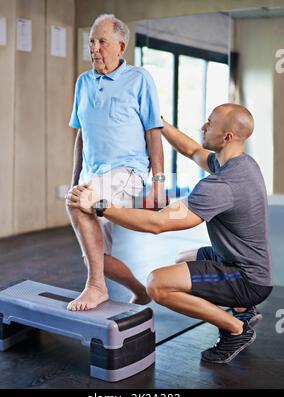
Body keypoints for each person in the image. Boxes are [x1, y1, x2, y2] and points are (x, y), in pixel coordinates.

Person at [67, 103, 273, 364]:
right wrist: (159, 121)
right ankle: (244, 309)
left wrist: (101, 207)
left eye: (210, 123)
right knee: (182, 260)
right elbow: (193, 150)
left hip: (248, 278)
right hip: (244, 262)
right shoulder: (242, 164)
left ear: (227, 137)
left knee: (157, 284)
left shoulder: (222, 185)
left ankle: (235, 329)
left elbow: (159, 223)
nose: (203, 126)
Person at [66, 14, 166, 311]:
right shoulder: (83, 82)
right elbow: (81, 136)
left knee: (80, 203)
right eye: (92, 42)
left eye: (102, 42)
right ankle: (139, 290)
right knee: (96, 256)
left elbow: (154, 132)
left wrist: (159, 184)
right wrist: (74, 180)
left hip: (129, 172)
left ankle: (96, 287)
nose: (94, 48)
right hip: (93, 174)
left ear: (121, 46)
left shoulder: (139, 79)